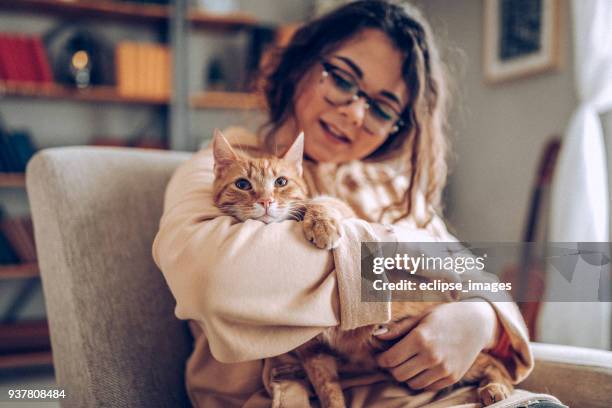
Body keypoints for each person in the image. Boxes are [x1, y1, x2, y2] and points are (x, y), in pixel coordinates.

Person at [153, 1, 565, 407]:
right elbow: (214, 278)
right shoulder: (217, 168)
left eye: (383, 108)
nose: (353, 113)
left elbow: (476, 275)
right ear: (302, 63)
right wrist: (411, 260)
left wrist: (480, 319)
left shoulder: (394, 189)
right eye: (343, 79)